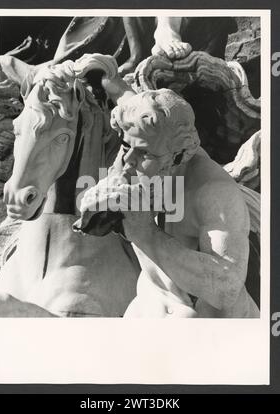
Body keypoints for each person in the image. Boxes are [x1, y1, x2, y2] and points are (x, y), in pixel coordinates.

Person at [98, 76, 259, 318]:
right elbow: (122, 93)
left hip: (216, 323)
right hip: (153, 299)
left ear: (177, 156)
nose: (129, 160)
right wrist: (101, 75)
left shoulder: (214, 192)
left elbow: (226, 290)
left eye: (143, 153)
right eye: (124, 145)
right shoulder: (133, 155)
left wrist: (144, 233)